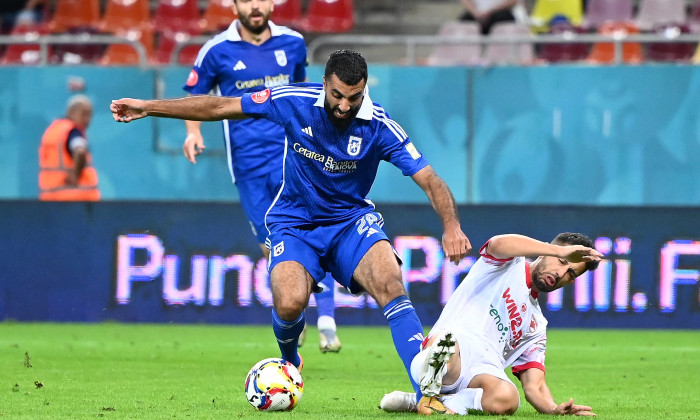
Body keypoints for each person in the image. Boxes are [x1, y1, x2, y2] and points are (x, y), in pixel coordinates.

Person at [111, 49, 472, 414]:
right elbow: (220, 107)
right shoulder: (291, 100)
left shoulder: (379, 124)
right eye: (337, 95)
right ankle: (290, 362)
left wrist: (451, 225)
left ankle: (425, 394)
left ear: (364, 90)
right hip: (294, 222)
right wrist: (148, 107)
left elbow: (429, 178)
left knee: (390, 281)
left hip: (349, 222)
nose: (345, 106)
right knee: (288, 302)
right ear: (325, 84)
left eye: (354, 97)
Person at [181, 0, 341, 353]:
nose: (255, 6)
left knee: (314, 229)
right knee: (273, 246)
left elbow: (304, 95)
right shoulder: (215, 51)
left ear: (273, 3)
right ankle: (295, 317)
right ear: (234, 4)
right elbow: (196, 94)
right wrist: (193, 132)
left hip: (294, 155)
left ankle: (327, 319)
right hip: (248, 164)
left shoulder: (293, 43)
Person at [379, 232, 603, 416]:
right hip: (455, 347)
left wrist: (554, 409)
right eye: (562, 261)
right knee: (445, 344)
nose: (561, 272)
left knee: (509, 398)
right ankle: (428, 390)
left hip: (482, 372)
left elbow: (534, 386)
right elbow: (497, 243)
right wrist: (558, 250)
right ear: (548, 251)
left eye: (570, 273)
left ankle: (426, 401)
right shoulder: (507, 264)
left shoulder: (537, 326)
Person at [39, 94, 100, 201]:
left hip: (51, 199)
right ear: (72, 111)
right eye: (84, 114)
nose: (87, 120)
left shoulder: (53, 131)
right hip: (77, 201)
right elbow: (80, 151)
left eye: (89, 116)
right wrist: (75, 175)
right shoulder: (73, 131)